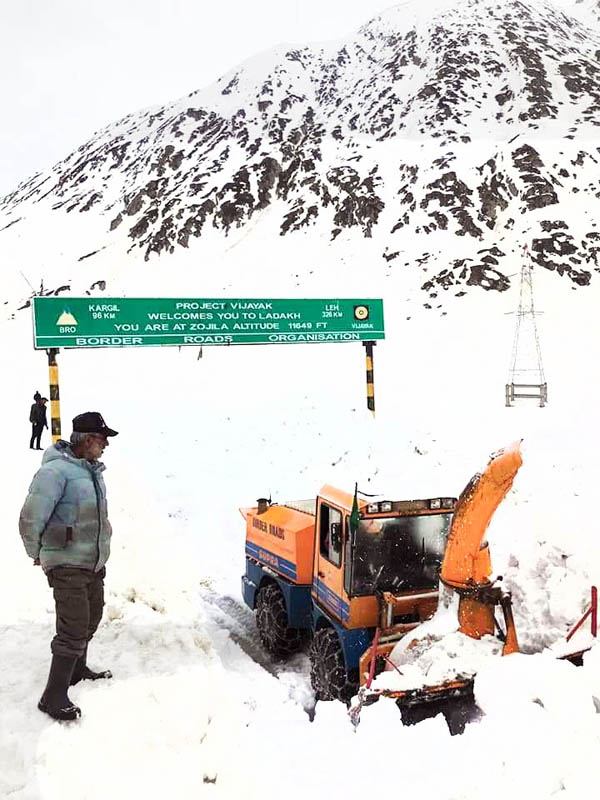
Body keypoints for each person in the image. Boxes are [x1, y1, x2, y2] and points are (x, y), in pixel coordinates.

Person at [19, 411, 118, 721]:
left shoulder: (92, 471)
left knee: (92, 617)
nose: (105, 446)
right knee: (73, 625)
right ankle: (53, 695)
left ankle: (76, 670)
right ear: (87, 440)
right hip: (65, 561)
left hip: (91, 562)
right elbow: (30, 518)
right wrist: (37, 552)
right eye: (102, 440)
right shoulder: (55, 473)